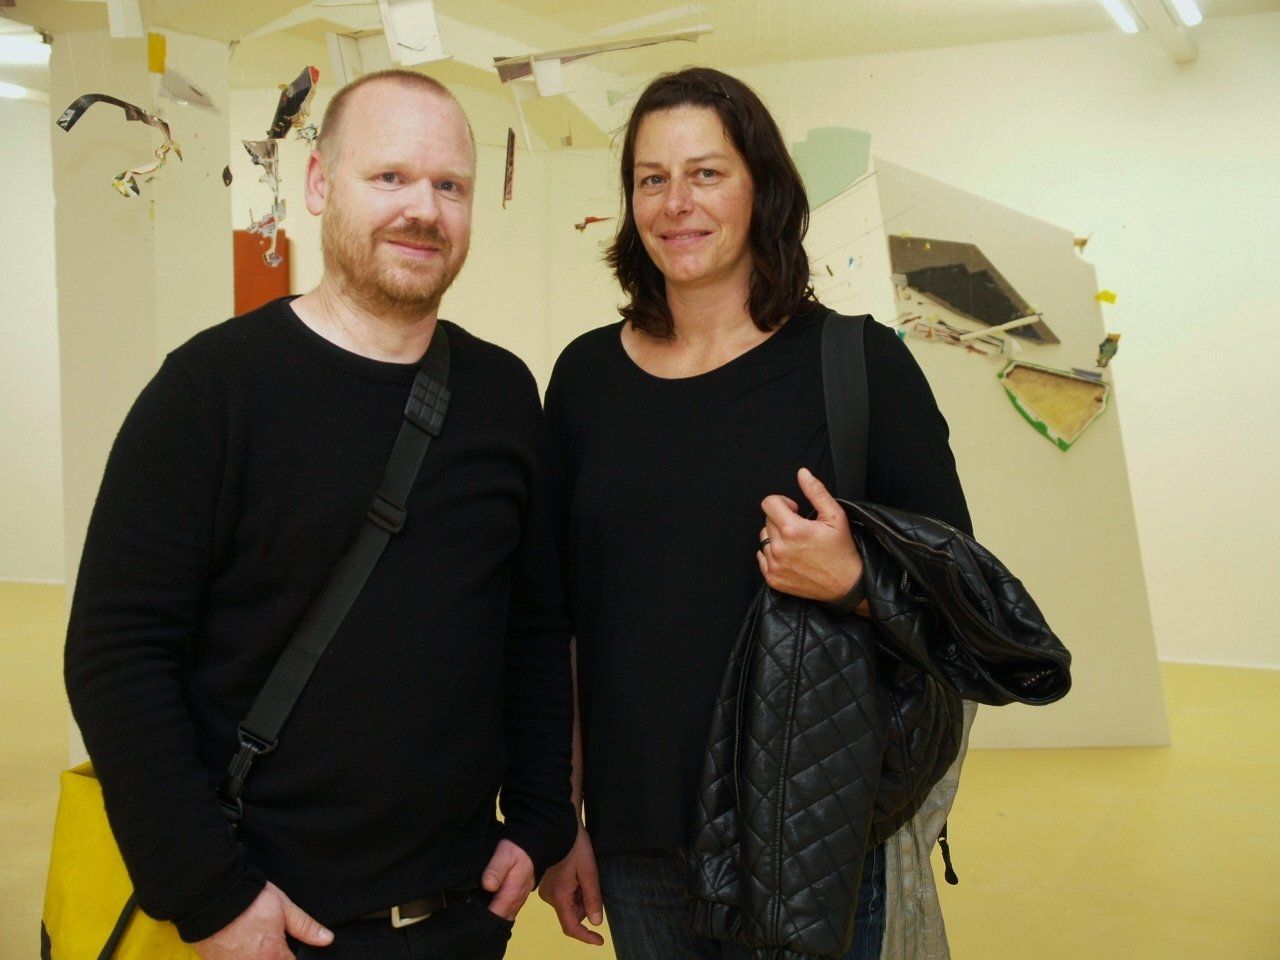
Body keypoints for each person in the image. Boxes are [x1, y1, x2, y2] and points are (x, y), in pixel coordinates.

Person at [64, 70, 575, 960]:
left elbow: (531, 629)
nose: (423, 209)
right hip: (267, 919)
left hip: (459, 914)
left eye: (449, 185)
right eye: (389, 176)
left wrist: (538, 820)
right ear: (317, 183)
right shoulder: (210, 391)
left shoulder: (501, 395)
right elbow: (116, 656)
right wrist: (210, 895)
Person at [537, 67, 972, 959]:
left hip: (812, 838)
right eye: (651, 178)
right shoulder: (584, 379)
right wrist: (563, 816)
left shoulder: (859, 367)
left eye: (707, 173)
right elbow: (562, 621)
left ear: (762, 188)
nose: (676, 203)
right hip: (638, 837)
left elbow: (965, 601)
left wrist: (854, 583)